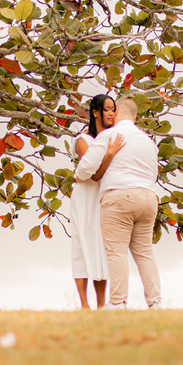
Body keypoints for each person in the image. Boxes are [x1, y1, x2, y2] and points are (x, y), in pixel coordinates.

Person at [75, 97, 162, 310]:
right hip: (148, 197)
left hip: (119, 197)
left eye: (114, 109)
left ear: (119, 110)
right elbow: (154, 173)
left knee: (116, 252)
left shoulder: (108, 135)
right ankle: (155, 302)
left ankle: (118, 302)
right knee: (145, 252)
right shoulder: (148, 142)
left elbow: (83, 170)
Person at [70, 94, 118, 309]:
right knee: (81, 246)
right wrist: (109, 155)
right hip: (84, 198)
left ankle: (101, 304)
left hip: (103, 196)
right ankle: (84, 304)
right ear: (95, 112)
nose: (111, 113)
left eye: (113, 109)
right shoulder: (84, 140)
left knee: (101, 247)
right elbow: (91, 171)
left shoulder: (115, 139)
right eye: (107, 109)